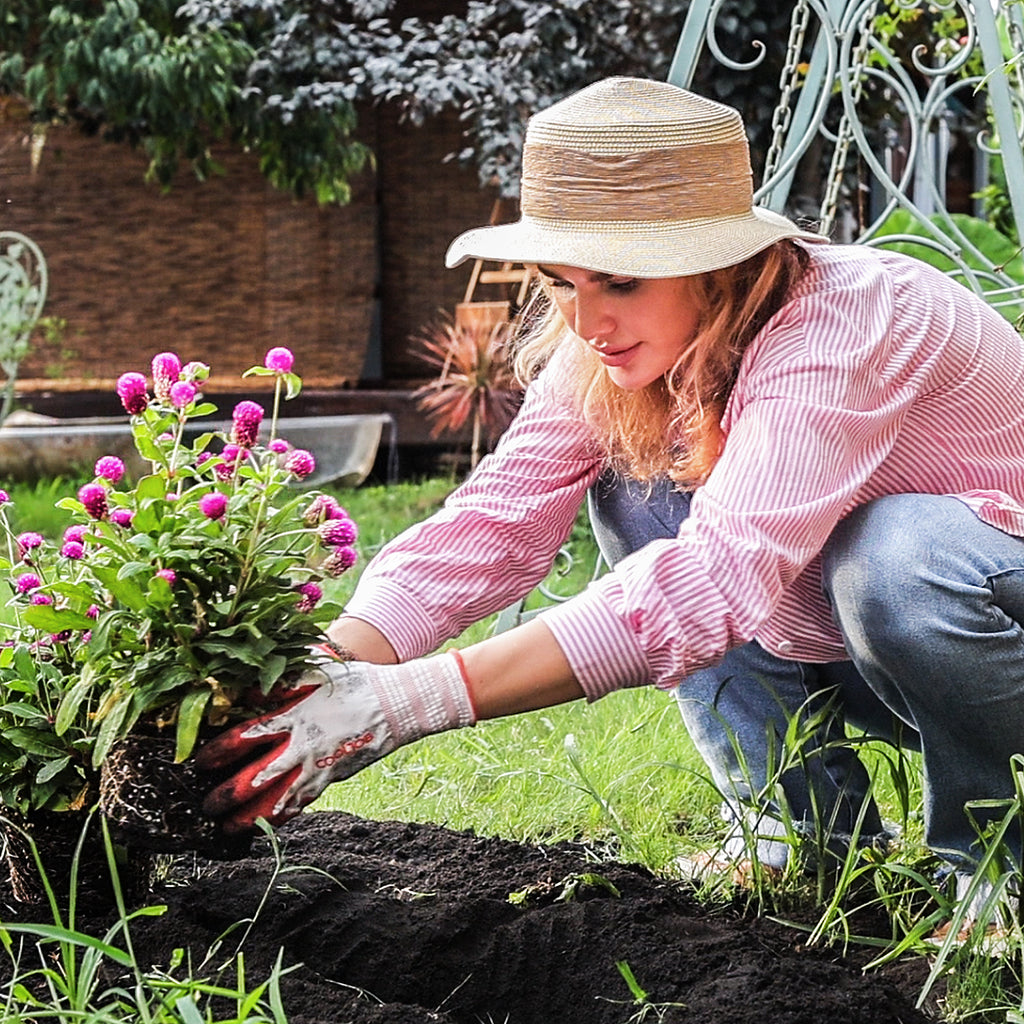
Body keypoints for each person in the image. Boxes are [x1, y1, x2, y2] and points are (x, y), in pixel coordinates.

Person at [199, 77, 1024, 910]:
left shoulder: (846, 321)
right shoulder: (612, 352)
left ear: (721, 262)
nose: (589, 321)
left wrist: (411, 702)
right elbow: (492, 525)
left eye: (621, 281)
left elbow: (713, 581)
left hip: (986, 632)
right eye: (561, 281)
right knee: (640, 490)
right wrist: (318, 677)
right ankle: (802, 840)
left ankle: (998, 868)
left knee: (896, 552)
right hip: (878, 649)